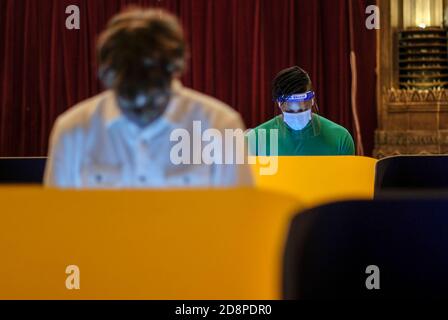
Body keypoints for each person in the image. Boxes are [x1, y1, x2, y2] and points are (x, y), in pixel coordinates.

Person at [44, 8, 252, 188]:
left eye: (151, 91)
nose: (140, 104)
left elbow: (239, 220)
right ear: (106, 74)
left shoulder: (220, 125)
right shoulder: (73, 129)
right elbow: (57, 221)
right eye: (128, 92)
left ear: (175, 70)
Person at [249, 66, 355, 156]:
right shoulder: (256, 140)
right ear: (279, 104)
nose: (297, 116)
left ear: (312, 100)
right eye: (290, 111)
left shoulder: (340, 139)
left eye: (302, 110)